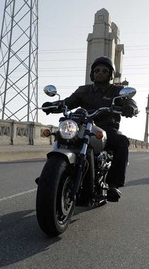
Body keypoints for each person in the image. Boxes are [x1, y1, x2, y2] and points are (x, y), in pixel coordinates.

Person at [42, 56, 138, 202]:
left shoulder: (117, 91)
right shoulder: (84, 90)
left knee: (122, 142)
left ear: (110, 75)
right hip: (83, 125)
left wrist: (130, 107)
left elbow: (130, 101)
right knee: (62, 136)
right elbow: (69, 102)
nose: (100, 73)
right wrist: (53, 105)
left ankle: (113, 185)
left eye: (105, 71)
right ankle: (51, 175)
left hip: (106, 129)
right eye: (97, 70)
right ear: (92, 74)